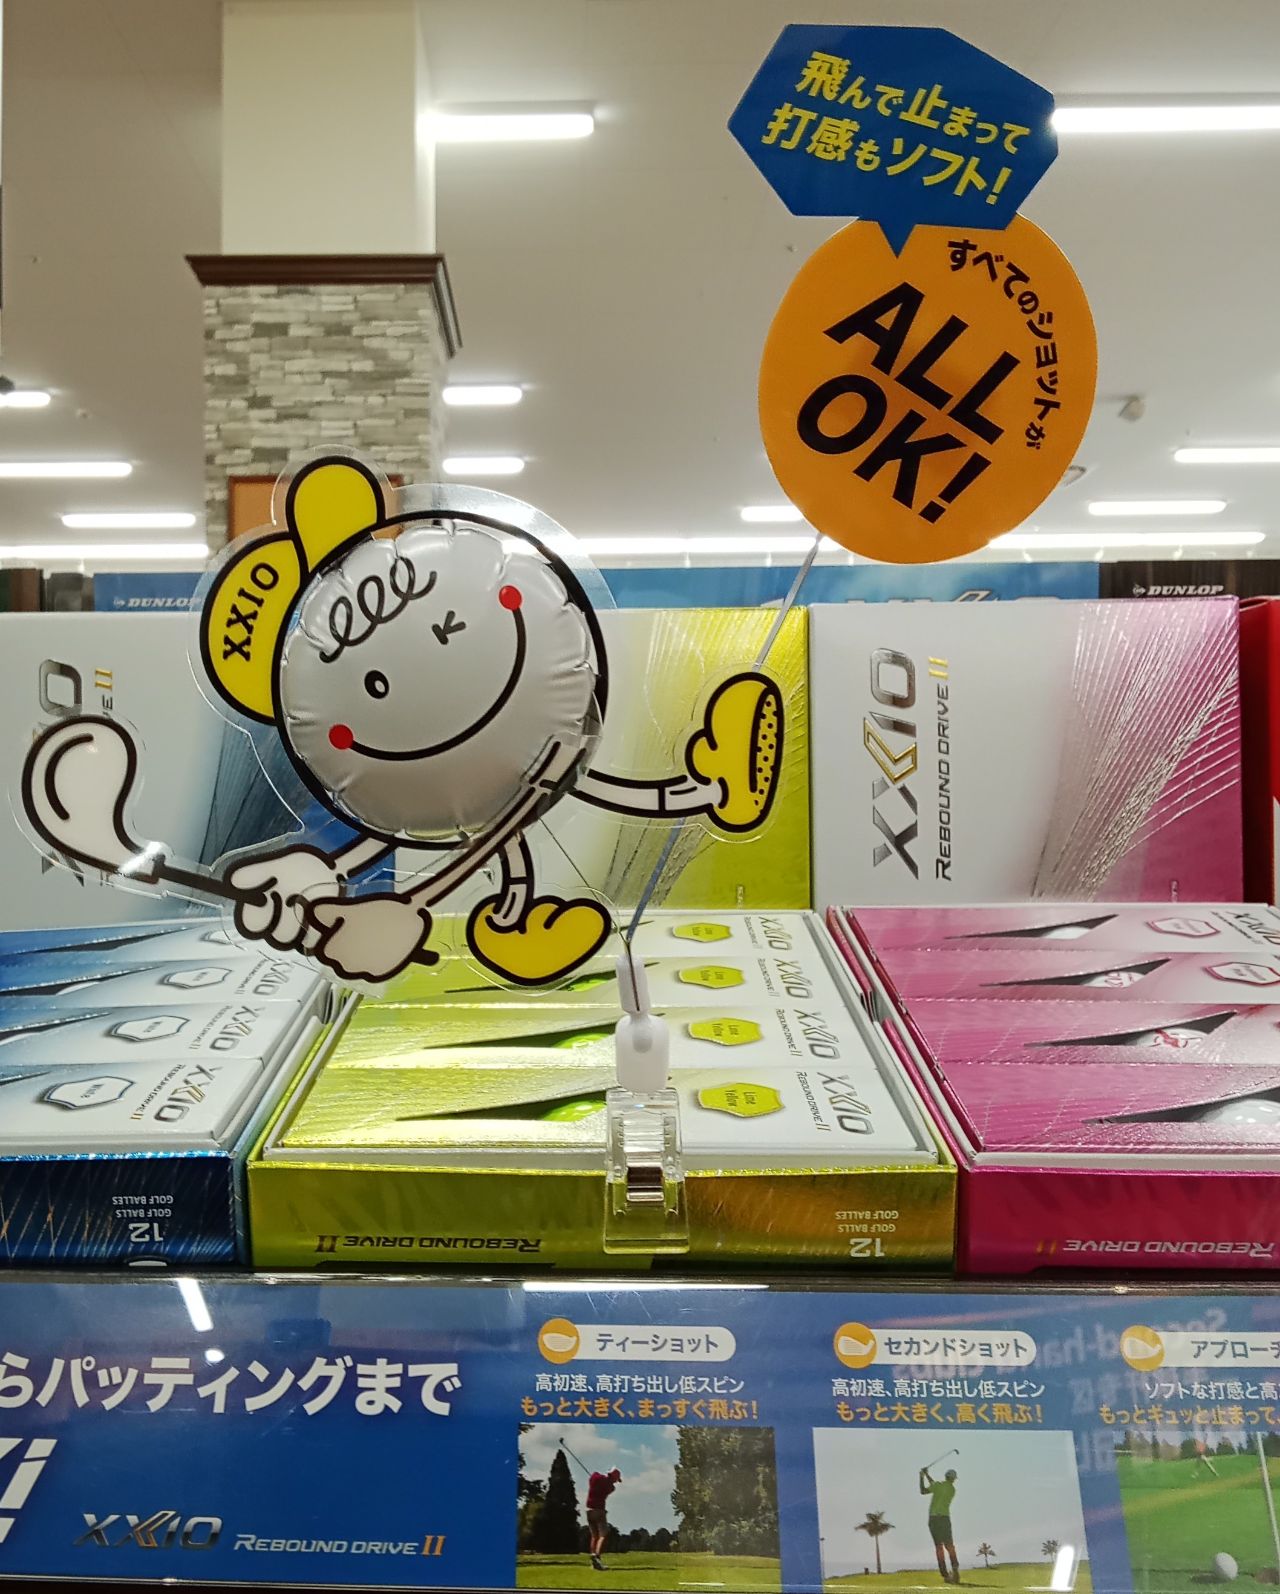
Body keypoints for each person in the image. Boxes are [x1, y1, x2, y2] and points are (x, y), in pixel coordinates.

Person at [920, 1466, 960, 1584]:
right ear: (953, 1479)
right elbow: (935, 1485)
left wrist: (921, 1476)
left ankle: (945, 1574)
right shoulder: (952, 1489)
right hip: (945, 1519)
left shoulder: (938, 1486)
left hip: (934, 1519)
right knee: (949, 1545)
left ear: (945, 1477)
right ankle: (955, 1566)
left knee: (939, 1546)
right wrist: (927, 1475)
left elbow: (923, 1491)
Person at [586, 1467, 622, 1572]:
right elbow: (608, 1485)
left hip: (589, 1510)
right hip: (599, 1510)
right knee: (603, 1535)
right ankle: (597, 1556)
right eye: (616, 1479)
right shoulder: (611, 1487)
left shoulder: (596, 1477)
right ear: (614, 1478)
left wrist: (595, 1479)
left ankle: (593, 1558)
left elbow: (594, 1475)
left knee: (594, 1536)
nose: (616, 1482)